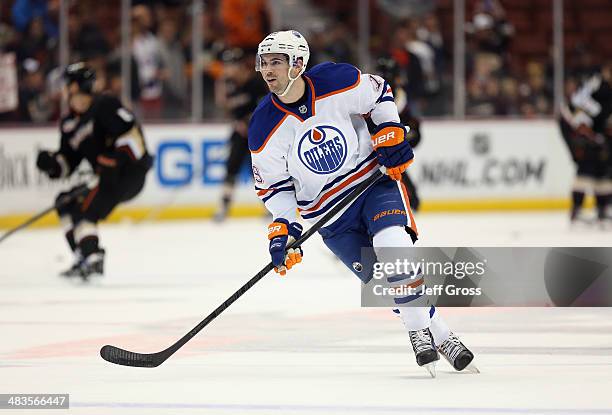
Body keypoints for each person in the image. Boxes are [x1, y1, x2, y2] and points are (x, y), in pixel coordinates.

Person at [248, 30, 475, 375]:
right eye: (264, 63)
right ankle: (441, 333)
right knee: (387, 283)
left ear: (298, 63)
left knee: (393, 246)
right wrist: (285, 227)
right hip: (329, 216)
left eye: (276, 62)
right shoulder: (263, 126)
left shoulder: (336, 80)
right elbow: (275, 189)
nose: (267, 70)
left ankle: (417, 332)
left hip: (371, 184)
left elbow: (380, 93)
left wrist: (389, 132)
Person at [36, 63, 153, 278]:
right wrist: (52, 164)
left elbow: (133, 138)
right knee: (65, 202)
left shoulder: (105, 105)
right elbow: (68, 163)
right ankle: (84, 254)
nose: (64, 90)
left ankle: (93, 259)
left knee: (84, 211)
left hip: (128, 174)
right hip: (106, 176)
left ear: (77, 86)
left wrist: (113, 160)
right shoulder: (69, 123)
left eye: (68, 85)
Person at [214, 48, 268, 222]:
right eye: (226, 66)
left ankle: (270, 206)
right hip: (239, 133)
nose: (228, 69)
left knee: (259, 171)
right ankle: (224, 206)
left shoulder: (256, 84)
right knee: (232, 167)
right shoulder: (229, 85)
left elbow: (265, 109)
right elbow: (228, 108)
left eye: (232, 65)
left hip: (258, 133)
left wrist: (249, 121)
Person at [563, 63, 612, 225]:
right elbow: (575, 107)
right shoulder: (596, 85)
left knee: (603, 172)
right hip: (586, 136)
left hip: (599, 136)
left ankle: (603, 208)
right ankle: (576, 209)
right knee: (585, 171)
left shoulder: (603, 88)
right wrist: (587, 132)